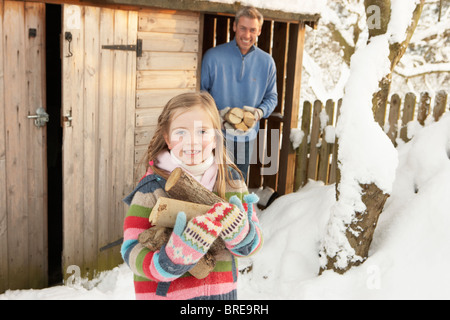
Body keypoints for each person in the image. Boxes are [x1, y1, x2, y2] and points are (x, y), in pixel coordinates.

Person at [121, 92, 263, 300]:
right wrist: (170, 260)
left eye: (202, 131)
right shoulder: (152, 188)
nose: (192, 142)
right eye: (181, 132)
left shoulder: (230, 181)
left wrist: (240, 232)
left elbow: (254, 243)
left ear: (215, 137)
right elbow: (130, 250)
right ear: (167, 139)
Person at [201, 6, 278, 182]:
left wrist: (259, 112)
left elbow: (272, 97)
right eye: (243, 28)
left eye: (252, 30)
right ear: (234, 26)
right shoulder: (213, 57)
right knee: (213, 181)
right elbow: (201, 92)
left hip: (246, 136)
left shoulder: (267, 62)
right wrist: (214, 116)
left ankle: (236, 210)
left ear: (259, 31)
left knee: (238, 182)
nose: (247, 35)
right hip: (216, 134)